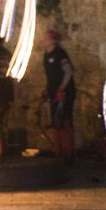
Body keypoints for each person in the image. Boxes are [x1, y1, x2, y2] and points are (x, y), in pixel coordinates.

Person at [41, 29, 76, 159]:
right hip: (54, 92)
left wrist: (61, 89)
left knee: (64, 121)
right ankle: (58, 150)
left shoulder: (60, 54)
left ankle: (68, 151)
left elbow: (68, 72)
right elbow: (50, 75)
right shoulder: (46, 55)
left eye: (46, 38)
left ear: (52, 40)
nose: (43, 41)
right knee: (56, 121)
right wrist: (47, 89)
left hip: (65, 92)